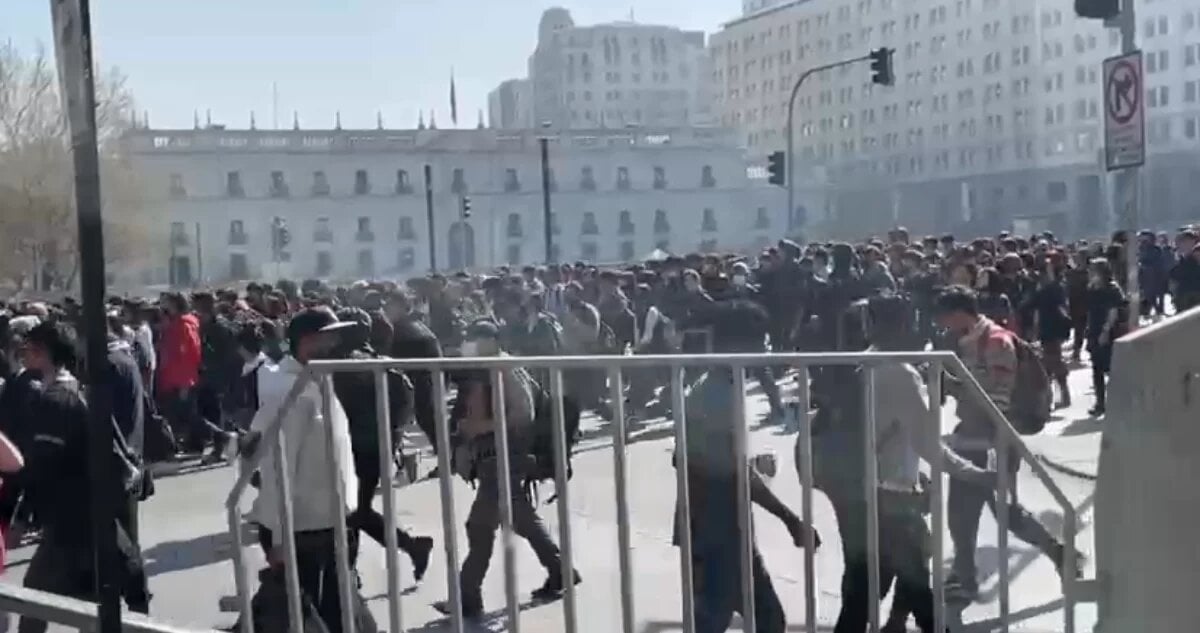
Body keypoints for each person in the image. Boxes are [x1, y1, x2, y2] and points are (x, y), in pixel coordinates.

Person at [933, 287, 1071, 603]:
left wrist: (953, 387)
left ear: (960, 312)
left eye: (945, 317)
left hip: (992, 442)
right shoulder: (966, 341)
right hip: (972, 437)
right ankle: (965, 577)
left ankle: (1057, 554)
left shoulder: (996, 342)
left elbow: (997, 400)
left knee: (995, 513)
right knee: (970, 514)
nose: (943, 324)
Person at [17, 321, 149, 633]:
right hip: (94, 514)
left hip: (72, 518)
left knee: (33, 599)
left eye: (29, 350)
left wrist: (22, 516)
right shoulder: (80, 392)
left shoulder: (57, 401)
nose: (23, 357)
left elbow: (42, 467)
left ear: (43, 353)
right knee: (96, 599)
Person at [437, 320, 574, 618]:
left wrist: (480, 426)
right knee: (518, 519)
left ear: (490, 341)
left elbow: (523, 415)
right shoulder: (492, 367)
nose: (469, 345)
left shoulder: (504, 369)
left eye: (476, 339)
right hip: (495, 458)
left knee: (480, 526)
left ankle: (467, 597)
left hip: (503, 456)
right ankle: (560, 570)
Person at [243, 308, 359, 633]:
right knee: (303, 619)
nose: (337, 344)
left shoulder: (316, 381)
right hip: (300, 532)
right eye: (330, 337)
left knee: (336, 618)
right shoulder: (289, 391)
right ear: (307, 342)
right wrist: (279, 539)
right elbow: (278, 468)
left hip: (326, 524)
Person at [330, 307, 434, 579]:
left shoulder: (346, 365)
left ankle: (349, 573)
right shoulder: (382, 361)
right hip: (377, 447)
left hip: (357, 448)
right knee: (356, 510)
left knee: (351, 511)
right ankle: (410, 547)